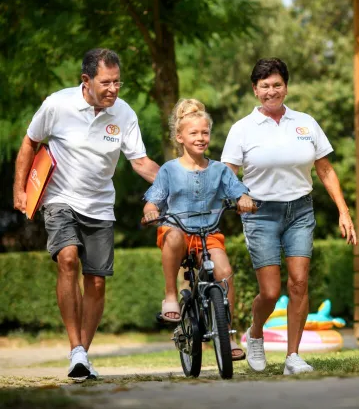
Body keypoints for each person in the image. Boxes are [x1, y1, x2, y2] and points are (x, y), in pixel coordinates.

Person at [12, 48, 160, 380]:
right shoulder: (57, 104)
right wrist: (19, 189)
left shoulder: (124, 114)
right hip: (60, 198)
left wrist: (174, 180)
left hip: (100, 205)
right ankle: (75, 348)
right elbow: (29, 143)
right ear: (86, 80)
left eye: (117, 82)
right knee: (66, 259)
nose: (113, 89)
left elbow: (140, 162)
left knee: (95, 281)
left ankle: (82, 356)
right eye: (106, 82)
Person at [221, 57, 357, 375]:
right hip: (260, 213)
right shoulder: (242, 129)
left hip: (300, 210)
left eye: (277, 85)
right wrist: (237, 197)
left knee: (298, 283)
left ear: (286, 87)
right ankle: (255, 334)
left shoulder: (305, 123)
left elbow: (325, 169)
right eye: (265, 86)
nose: (272, 91)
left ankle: (292, 357)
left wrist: (344, 211)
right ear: (255, 90)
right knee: (270, 291)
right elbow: (227, 174)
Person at [142, 98, 255, 361]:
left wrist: (243, 200)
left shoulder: (219, 170)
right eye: (194, 133)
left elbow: (238, 191)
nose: (201, 137)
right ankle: (170, 295)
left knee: (225, 273)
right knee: (174, 236)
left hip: (208, 233)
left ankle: (227, 333)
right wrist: (150, 210)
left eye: (205, 132)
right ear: (180, 137)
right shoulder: (169, 170)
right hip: (177, 231)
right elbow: (154, 198)